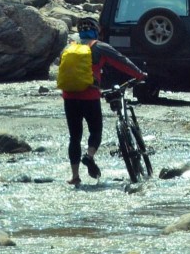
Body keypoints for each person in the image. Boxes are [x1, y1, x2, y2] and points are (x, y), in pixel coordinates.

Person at [59, 17, 146, 186]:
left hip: (69, 96)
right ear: (96, 31)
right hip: (90, 96)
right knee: (95, 131)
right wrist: (139, 75)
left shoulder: (69, 48)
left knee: (74, 136)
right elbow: (122, 62)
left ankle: (75, 176)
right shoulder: (99, 47)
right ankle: (89, 156)